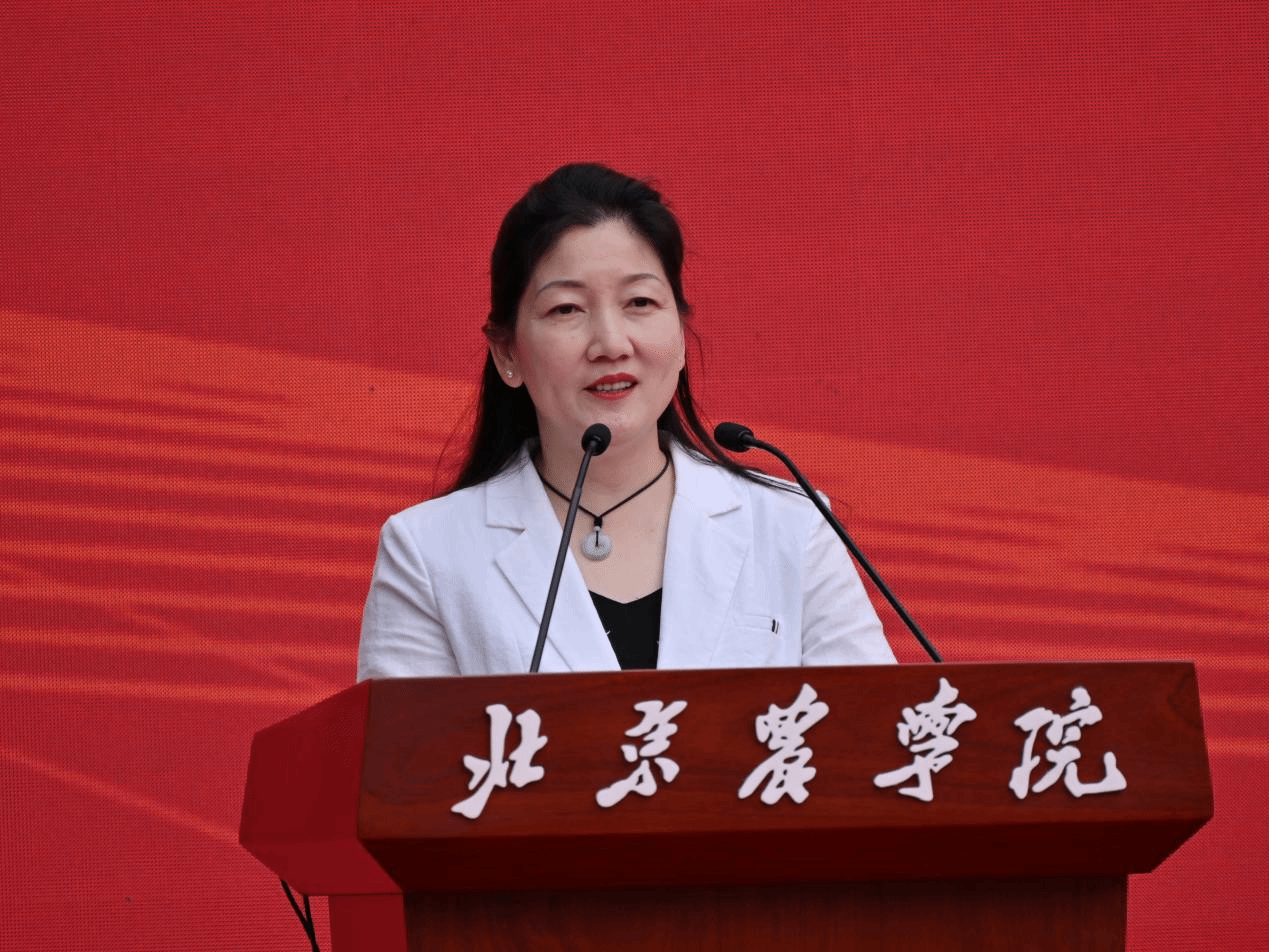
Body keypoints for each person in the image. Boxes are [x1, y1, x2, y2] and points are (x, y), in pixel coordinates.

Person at [357, 163, 895, 678]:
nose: (612, 344)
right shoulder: (429, 552)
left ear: (680, 334)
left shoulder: (792, 527)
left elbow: (874, 733)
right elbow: (407, 745)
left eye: (639, 301)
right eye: (567, 309)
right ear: (507, 354)